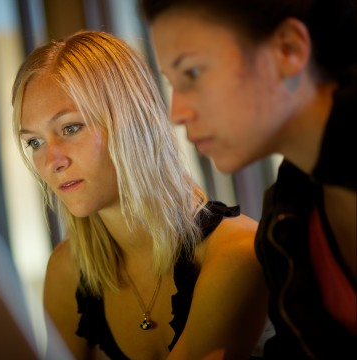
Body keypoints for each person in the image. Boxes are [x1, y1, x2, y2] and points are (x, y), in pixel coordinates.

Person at [12, 30, 271, 360]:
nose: (51, 162)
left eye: (70, 128)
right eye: (35, 142)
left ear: (129, 122)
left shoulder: (237, 255)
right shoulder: (67, 271)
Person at [140, 0, 357, 358]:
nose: (177, 113)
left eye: (192, 73)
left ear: (288, 49)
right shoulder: (285, 221)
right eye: (172, 84)